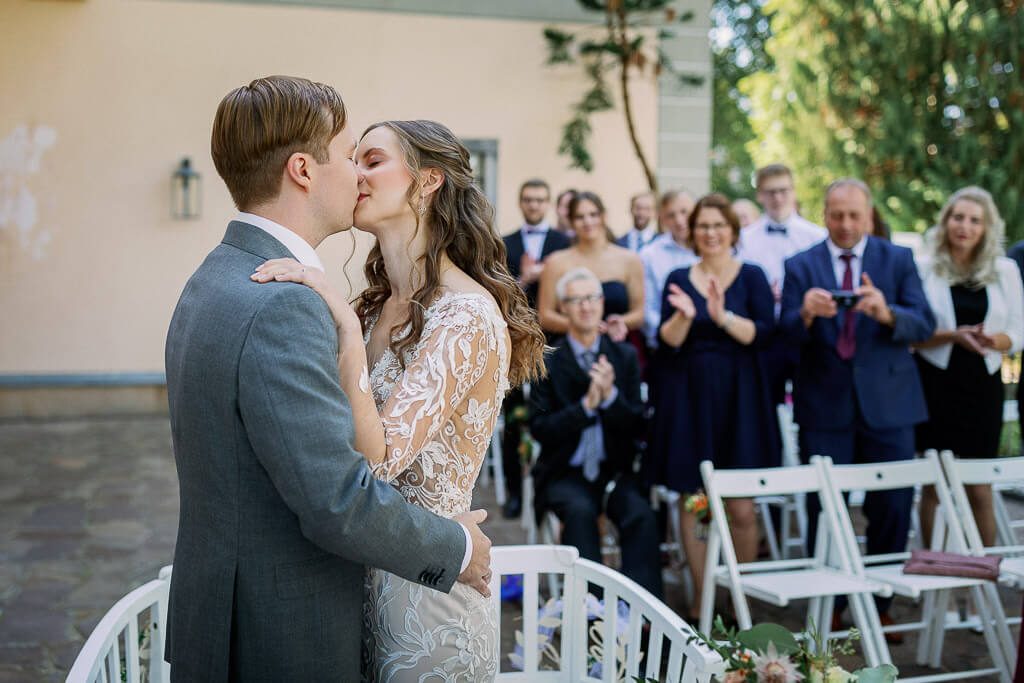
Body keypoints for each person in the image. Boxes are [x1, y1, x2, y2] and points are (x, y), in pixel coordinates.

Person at [164, 78, 495, 682]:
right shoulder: (283, 303)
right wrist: (459, 547)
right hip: (281, 630)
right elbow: (335, 501)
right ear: (302, 171)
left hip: (266, 615)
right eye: (349, 156)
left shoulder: (215, 277)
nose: (358, 175)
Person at [254, 119, 547, 680]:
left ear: (428, 179)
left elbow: (380, 458)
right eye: (354, 160)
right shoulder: (369, 308)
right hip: (354, 577)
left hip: (430, 593)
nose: (356, 175)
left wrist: (341, 327)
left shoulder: (465, 315)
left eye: (372, 160)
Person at [780, 178, 935, 636]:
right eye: (836, 215)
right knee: (826, 510)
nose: (845, 224)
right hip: (825, 408)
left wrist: (887, 313)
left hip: (890, 407)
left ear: (868, 216)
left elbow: (924, 322)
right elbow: (782, 337)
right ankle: (829, 604)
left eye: (854, 215)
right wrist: (805, 313)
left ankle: (881, 602)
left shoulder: (898, 259)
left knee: (892, 508)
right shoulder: (800, 266)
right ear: (823, 214)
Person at [650, 193, 778, 620]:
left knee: (741, 504)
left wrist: (721, 316)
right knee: (694, 502)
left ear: (733, 231)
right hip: (690, 399)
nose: (710, 233)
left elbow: (761, 335)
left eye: (718, 225)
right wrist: (686, 315)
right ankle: (703, 603)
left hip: (741, 399)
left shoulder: (753, 276)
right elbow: (667, 342)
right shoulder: (678, 275)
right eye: (702, 226)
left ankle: (739, 601)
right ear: (693, 233)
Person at [529, 268, 663, 597]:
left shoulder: (625, 356)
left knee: (640, 515)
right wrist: (587, 406)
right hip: (566, 471)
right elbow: (540, 429)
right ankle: (592, 615)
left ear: (602, 303)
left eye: (592, 298)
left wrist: (612, 397)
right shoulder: (548, 361)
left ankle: (641, 614)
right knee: (579, 513)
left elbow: (638, 424)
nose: (585, 307)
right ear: (563, 307)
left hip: (616, 470)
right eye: (576, 300)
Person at [914, 186, 1023, 547]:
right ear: (946, 222)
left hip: (983, 384)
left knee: (980, 488)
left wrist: (994, 341)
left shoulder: (1005, 270)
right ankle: (933, 569)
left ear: (987, 227)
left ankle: (984, 582)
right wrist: (954, 335)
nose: (965, 226)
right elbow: (914, 334)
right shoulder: (925, 267)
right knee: (933, 485)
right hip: (936, 381)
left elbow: (1018, 332)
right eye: (958, 217)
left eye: (975, 220)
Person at [500, 179, 572, 519]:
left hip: (556, 344)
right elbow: (496, 290)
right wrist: (525, 279)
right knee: (513, 417)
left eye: (541, 200)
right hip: (515, 342)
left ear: (548, 203)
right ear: (520, 202)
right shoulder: (506, 243)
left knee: (548, 415)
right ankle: (515, 493)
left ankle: (546, 489)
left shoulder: (563, 243)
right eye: (528, 199)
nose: (534, 205)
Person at [737, 164, 827, 405]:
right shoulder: (745, 239)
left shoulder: (817, 236)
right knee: (763, 404)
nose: (777, 198)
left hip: (806, 332)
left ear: (794, 191)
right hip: (762, 336)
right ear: (760, 195)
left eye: (783, 190)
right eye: (770, 192)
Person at [538, 192, 645, 346]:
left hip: (617, 345)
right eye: (580, 217)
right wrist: (584, 327)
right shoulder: (556, 262)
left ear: (604, 216)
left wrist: (617, 322)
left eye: (593, 215)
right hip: (569, 349)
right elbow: (545, 315)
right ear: (571, 221)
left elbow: (639, 314)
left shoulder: (630, 260)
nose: (588, 222)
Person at [640, 189, 697, 349]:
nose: (679, 220)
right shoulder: (650, 254)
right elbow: (648, 307)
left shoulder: (711, 248)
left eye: (684, 212)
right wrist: (666, 337)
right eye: (671, 215)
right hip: (668, 345)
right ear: (662, 219)